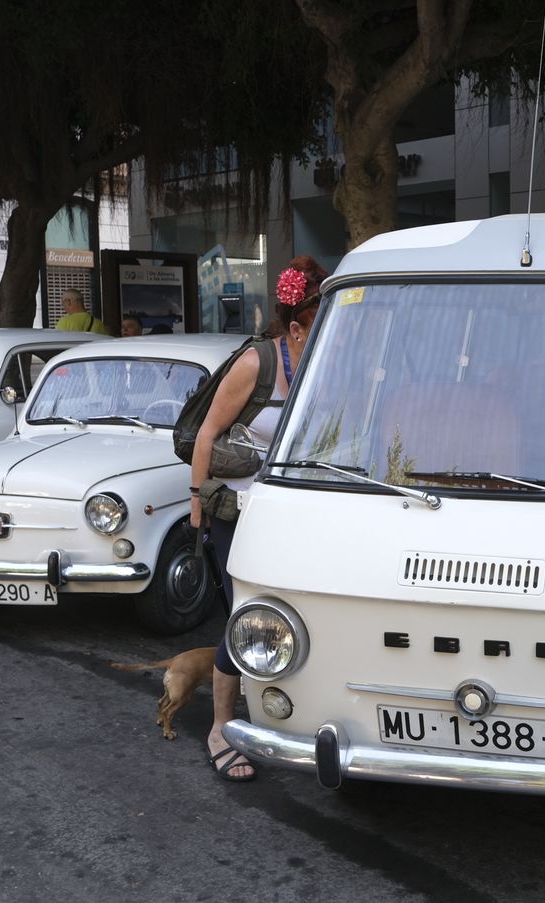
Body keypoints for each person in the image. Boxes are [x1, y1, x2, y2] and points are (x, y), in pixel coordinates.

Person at [193, 255, 329, 781]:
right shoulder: (258, 363)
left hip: (299, 512)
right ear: (295, 326)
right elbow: (206, 434)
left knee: (299, 615)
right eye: (317, 328)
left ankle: (288, 708)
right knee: (242, 615)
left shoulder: (326, 362)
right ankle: (219, 728)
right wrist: (196, 505)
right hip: (240, 512)